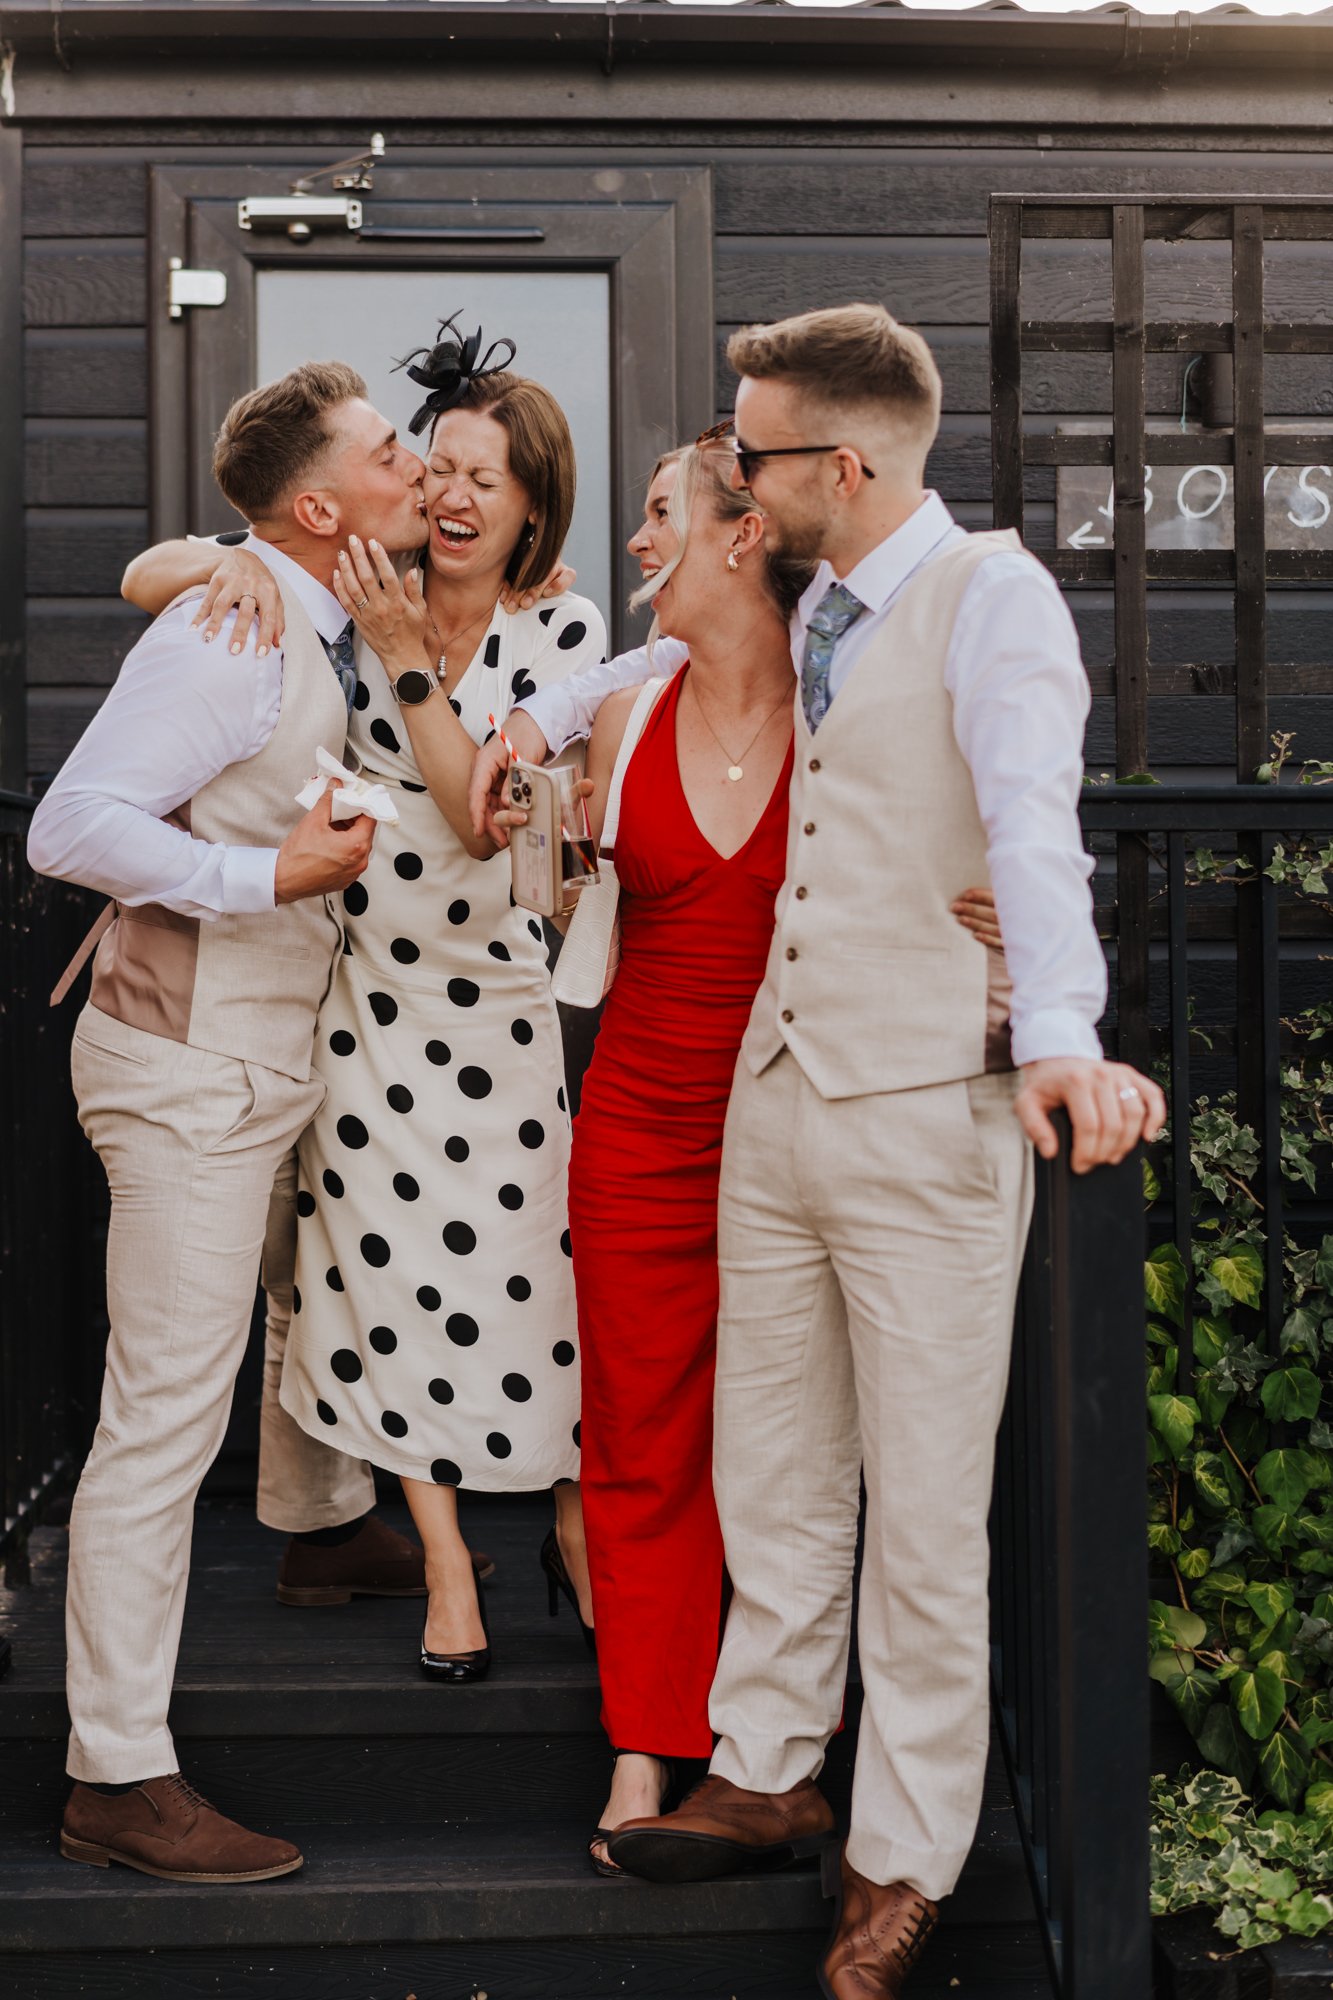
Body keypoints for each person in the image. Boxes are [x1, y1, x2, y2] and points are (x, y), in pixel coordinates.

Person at [478, 305, 1165, 1998]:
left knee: (924, 1509)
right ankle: (766, 1772)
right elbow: (655, 659)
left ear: (837, 468)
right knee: (772, 1472)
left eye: (755, 452)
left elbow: (1029, 817)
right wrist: (545, 715)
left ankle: (905, 1849)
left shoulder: (989, 593)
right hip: (766, 1111)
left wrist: (1059, 1032)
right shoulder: (815, 604)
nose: (736, 474)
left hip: (926, 1109)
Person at [495, 438, 1005, 1875]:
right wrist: (540, 792)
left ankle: (781, 1751)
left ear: (739, 536)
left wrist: (1007, 930)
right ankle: (648, 1745)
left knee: (796, 1447)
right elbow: (559, 841)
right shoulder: (625, 712)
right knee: (641, 1441)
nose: (634, 540)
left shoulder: (852, 706)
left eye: (658, 513)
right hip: (645, 1120)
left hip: (811, 1108)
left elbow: (950, 829)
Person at [26, 360, 429, 1883]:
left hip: (271, 1052)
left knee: (307, 1282)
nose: (419, 475)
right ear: (322, 506)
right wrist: (265, 883)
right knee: (159, 1415)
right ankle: (117, 1774)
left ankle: (321, 1526)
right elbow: (76, 825)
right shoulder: (229, 627)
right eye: (392, 455)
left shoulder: (299, 604)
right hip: (189, 1065)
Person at [275, 334, 605, 1681]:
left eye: (492, 476)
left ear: (534, 504)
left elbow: (481, 824)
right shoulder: (357, 595)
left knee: (542, 1289)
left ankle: (574, 1538)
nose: (459, 493)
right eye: (443, 467)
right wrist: (224, 568)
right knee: (384, 1292)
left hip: (497, 1011)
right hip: (364, 1005)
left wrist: (414, 659)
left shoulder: (563, 631)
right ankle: (451, 1569)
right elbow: (153, 572)